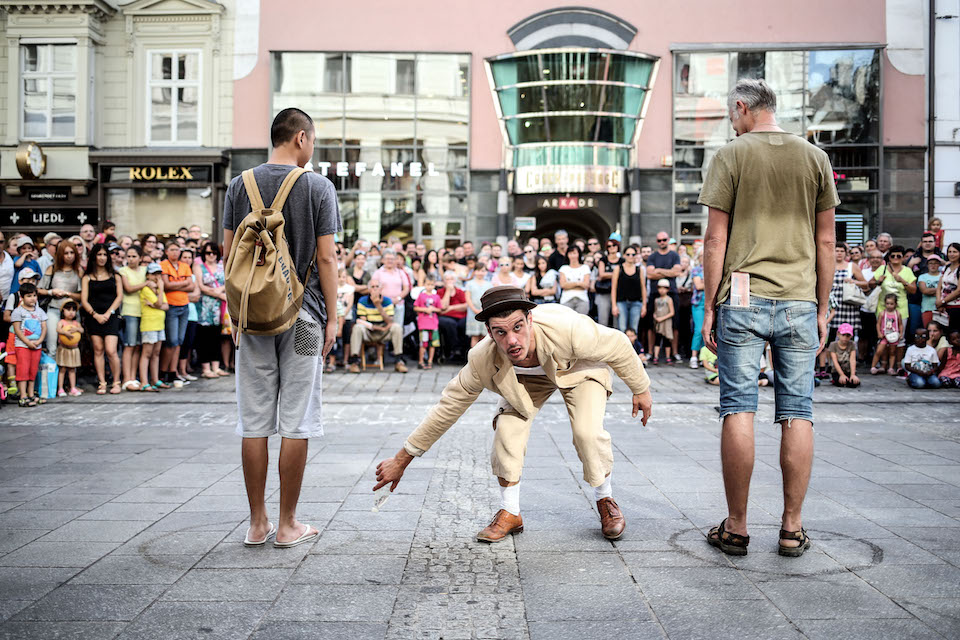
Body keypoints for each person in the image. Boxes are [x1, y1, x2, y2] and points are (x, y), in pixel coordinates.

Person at [373, 286, 653, 542]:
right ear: (489, 332)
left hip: (576, 367)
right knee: (506, 431)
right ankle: (510, 512)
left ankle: (605, 499)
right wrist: (401, 459)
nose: (512, 340)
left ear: (530, 320)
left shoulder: (568, 329)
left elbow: (618, 344)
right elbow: (448, 407)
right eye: (501, 332)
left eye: (518, 327)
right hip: (524, 382)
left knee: (587, 433)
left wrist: (640, 388)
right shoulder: (482, 359)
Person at [699, 78, 839, 558]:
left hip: (741, 296)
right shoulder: (815, 157)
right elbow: (826, 241)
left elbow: (715, 239)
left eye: (731, 115)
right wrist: (823, 306)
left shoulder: (731, 155)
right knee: (798, 411)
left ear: (742, 107)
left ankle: (737, 527)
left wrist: (710, 306)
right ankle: (791, 527)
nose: (732, 123)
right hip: (799, 298)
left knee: (738, 407)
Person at [222, 107, 341, 548]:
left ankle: (258, 523)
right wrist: (334, 317)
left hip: (252, 318)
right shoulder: (317, 187)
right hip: (305, 318)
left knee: (253, 421)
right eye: (313, 140)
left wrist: (235, 314)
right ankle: (288, 524)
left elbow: (229, 257)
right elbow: (326, 257)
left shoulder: (239, 185)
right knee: (297, 418)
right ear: (301, 138)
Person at [81, 243, 123, 395]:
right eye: (99, 254)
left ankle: (116, 382)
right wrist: (95, 315)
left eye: (105, 254)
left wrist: (108, 313)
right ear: (94, 256)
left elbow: (119, 296)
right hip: (94, 316)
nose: (102, 258)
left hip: (111, 316)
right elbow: (84, 300)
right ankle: (102, 382)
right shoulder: (87, 277)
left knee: (111, 350)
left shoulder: (115, 275)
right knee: (98, 350)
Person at [347, 279, 407, 373]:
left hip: (384, 331)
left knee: (397, 327)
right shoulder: (362, 301)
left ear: (381, 288)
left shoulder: (387, 301)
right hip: (369, 331)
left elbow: (390, 321)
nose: (375, 289)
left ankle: (398, 361)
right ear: (369, 289)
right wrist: (376, 327)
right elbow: (362, 321)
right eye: (372, 287)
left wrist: (378, 305)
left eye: (377, 287)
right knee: (357, 328)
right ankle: (354, 362)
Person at [870, 245, 916, 365]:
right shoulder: (882, 269)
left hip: (901, 310)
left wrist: (902, 280)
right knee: (883, 337)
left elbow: (913, 290)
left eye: (898, 256)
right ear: (889, 257)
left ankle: (898, 364)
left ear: (903, 258)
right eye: (892, 256)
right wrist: (878, 281)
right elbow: (870, 284)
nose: (895, 258)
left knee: (900, 337)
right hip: (883, 309)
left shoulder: (907, 271)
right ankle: (884, 364)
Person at [38, 240, 83, 356]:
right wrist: (51, 292)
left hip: (72, 311)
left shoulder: (78, 270)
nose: (69, 256)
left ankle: (68, 368)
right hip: (54, 308)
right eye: (66, 253)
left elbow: (82, 296)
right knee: (52, 345)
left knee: (72, 344)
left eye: (72, 253)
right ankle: (52, 367)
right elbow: (38, 290)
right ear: (60, 254)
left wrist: (68, 294)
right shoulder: (52, 268)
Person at [159, 243, 195, 386]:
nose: (175, 252)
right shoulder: (163, 265)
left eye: (177, 249)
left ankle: (173, 372)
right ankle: (163, 371)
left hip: (184, 305)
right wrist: (183, 283)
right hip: (171, 306)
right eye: (172, 249)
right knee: (171, 341)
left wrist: (175, 285)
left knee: (179, 341)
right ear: (166, 251)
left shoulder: (184, 266)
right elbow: (166, 285)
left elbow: (191, 286)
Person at [646, 231, 682, 363]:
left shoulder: (674, 255)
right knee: (651, 324)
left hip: (671, 293)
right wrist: (669, 272)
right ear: (657, 242)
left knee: (674, 324)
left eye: (664, 240)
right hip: (654, 293)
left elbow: (677, 272)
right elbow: (649, 274)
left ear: (668, 240)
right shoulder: (652, 256)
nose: (662, 242)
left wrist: (659, 270)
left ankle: (674, 353)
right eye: (659, 240)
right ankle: (651, 352)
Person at [195, 241, 228, 379]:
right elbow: (200, 286)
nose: (211, 255)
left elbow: (228, 281)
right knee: (204, 337)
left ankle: (216, 366)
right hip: (204, 306)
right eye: (208, 253)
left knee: (216, 336)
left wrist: (220, 290)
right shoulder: (199, 267)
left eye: (214, 252)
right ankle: (206, 368)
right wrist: (219, 294)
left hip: (219, 307)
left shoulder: (222, 266)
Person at [11, 282, 46, 406]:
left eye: (34, 295)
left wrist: (40, 341)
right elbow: (17, 330)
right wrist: (27, 342)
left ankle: (31, 394)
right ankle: (23, 396)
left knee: (33, 370)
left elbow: (44, 327)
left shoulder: (40, 311)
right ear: (22, 297)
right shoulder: (18, 312)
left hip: (37, 346)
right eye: (29, 296)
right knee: (23, 370)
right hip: (23, 346)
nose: (32, 298)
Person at [118, 246, 147, 390]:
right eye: (128, 256)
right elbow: (128, 288)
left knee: (137, 346)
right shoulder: (123, 271)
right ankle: (126, 378)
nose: (131, 259)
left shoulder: (145, 270)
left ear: (140, 258)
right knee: (129, 345)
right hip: (129, 310)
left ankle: (133, 377)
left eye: (134, 256)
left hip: (144, 311)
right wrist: (146, 284)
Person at [138, 263, 168, 391]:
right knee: (147, 353)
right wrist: (161, 289)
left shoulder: (158, 290)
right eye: (154, 274)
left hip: (160, 324)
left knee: (156, 353)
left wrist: (156, 304)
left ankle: (155, 380)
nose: (157, 277)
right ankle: (144, 382)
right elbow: (160, 303)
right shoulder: (146, 289)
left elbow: (166, 306)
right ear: (148, 276)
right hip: (149, 324)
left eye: (158, 274)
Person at [176, 247, 201, 383]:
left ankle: (184, 370)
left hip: (192, 314)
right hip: (180, 311)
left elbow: (196, 295)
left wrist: (182, 293)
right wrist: (185, 292)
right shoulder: (177, 275)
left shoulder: (192, 275)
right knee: (179, 342)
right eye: (184, 257)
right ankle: (177, 371)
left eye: (189, 257)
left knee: (188, 344)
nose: (187, 260)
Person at [611, 244, 647, 334]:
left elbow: (643, 288)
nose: (630, 256)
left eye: (633, 254)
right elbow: (614, 288)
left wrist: (644, 305)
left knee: (634, 329)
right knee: (622, 329)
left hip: (636, 303)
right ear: (624, 255)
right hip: (621, 302)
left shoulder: (640, 269)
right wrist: (614, 305)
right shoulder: (618, 268)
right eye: (628, 254)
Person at [327, 268, 354, 373]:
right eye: (339, 277)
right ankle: (332, 361)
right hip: (335, 318)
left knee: (346, 339)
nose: (341, 279)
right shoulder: (333, 288)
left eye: (344, 277)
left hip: (347, 317)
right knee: (334, 339)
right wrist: (337, 316)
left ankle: (345, 360)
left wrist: (343, 315)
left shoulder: (350, 289)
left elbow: (350, 304)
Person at [438, 270, 468, 361]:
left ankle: (464, 350)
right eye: (447, 279)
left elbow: (465, 306)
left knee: (464, 324)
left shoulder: (460, 291)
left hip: (460, 316)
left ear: (455, 280)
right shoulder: (440, 292)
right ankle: (454, 349)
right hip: (445, 317)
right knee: (450, 324)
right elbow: (443, 306)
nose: (449, 281)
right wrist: (448, 291)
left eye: (451, 279)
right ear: (444, 281)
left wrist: (451, 308)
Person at [55, 300, 83, 397]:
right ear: (63, 311)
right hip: (64, 348)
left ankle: (73, 387)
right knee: (62, 369)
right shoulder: (62, 322)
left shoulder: (76, 323)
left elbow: (82, 330)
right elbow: (58, 329)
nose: (71, 312)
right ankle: (60, 388)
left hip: (73, 349)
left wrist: (77, 329)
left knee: (72, 369)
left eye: (73, 310)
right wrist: (65, 332)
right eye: (68, 310)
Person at [871, 294, 903, 375]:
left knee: (892, 352)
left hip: (894, 335)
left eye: (891, 304)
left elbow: (900, 324)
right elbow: (878, 324)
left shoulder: (897, 314)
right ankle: (873, 366)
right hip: (884, 336)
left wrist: (901, 333)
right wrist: (879, 333)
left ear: (895, 304)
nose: (889, 306)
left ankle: (891, 368)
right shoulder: (882, 313)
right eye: (887, 303)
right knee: (879, 351)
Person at [414, 276, 442, 369]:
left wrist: (433, 309)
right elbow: (415, 307)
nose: (430, 286)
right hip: (423, 324)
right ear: (424, 285)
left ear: (434, 285)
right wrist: (425, 309)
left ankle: (430, 361)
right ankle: (421, 361)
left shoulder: (436, 297)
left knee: (433, 344)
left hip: (433, 324)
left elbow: (440, 309)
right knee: (423, 343)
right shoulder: (421, 296)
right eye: (428, 284)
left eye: (431, 284)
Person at [595, 238, 621, 327]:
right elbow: (601, 274)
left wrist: (608, 274)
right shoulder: (603, 260)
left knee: (617, 322)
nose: (612, 247)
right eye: (609, 246)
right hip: (604, 292)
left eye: (614, 245)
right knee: (603, 320)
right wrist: (616, 274)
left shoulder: (622, 261)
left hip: (618, 293)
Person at [465, 264, 493, 348]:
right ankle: (474, 355)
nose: (480, 273)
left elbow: (490, 298)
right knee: (475, 336)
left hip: (485, 312)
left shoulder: (489, 284)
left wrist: (484, 309)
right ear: (474, 272)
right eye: (478, 270)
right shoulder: (469, 284)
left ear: (486, 272)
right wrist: (474, 309)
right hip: (473, 313)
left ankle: (484, 355)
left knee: (485, 336)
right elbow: (468, 298)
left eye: (483, 271)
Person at [558, 246, 590, 314]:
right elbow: (563, 285)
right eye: (570, 253)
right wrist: (579, 283)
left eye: (574, 253)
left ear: (579, 254)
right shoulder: (564, 268)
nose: (573, 256)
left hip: (582, 299)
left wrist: (570, 284)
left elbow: (586, 285)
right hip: (566, 299)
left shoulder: (585, 268)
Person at [827, 323, 860, 388]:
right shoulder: (833, 345)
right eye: (843, 335)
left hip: (848, 370)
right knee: (840, 382)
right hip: (837, 370)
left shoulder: (852, 344)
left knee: (853, 383)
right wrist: (842, 375)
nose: (845, 337)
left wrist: (853, 374)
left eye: (848, 335)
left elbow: (852, 360)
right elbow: (835, 362)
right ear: (838, 334)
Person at [936, 242, 960, 332]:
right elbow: (939, 286)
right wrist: (939, 301)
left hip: (956, 307)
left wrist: (943, 301)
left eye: (955, 252)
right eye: (950, 252)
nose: (952, 254)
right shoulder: (946, 268)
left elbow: (959, 291)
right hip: (944, 307)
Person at [651, 279, 675, 364]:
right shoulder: (656, 300)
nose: (662, 290)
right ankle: (656, 356)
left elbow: (672, 312)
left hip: (666, 322)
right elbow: (655, 310)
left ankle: (668, 357)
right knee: (657, 339)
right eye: (660, 288)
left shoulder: (669, 299)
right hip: (658, 323)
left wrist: (662, 318)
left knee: (667, 340)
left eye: (664, 288)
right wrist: (655, 316)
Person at [918, 253, 944, 328]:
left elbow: (947, 291)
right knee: (928, 330)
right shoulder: (922, 277)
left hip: (942, 308)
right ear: (927, 265)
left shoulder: (944, 276)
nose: (933, 265)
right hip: (927, 308)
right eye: (931, 263)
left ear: (939, 265)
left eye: (936, 263)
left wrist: (932, 291)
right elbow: (925, 291)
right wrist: (940, 290)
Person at [689, 252, 705, 368]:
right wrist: (710, 282)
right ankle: (693, 357)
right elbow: (698, 286)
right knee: (699, 330)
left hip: (710, 303)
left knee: (709, 331)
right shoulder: (696, 270)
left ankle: (704, 357)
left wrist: (704, 281)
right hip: (698, 303)